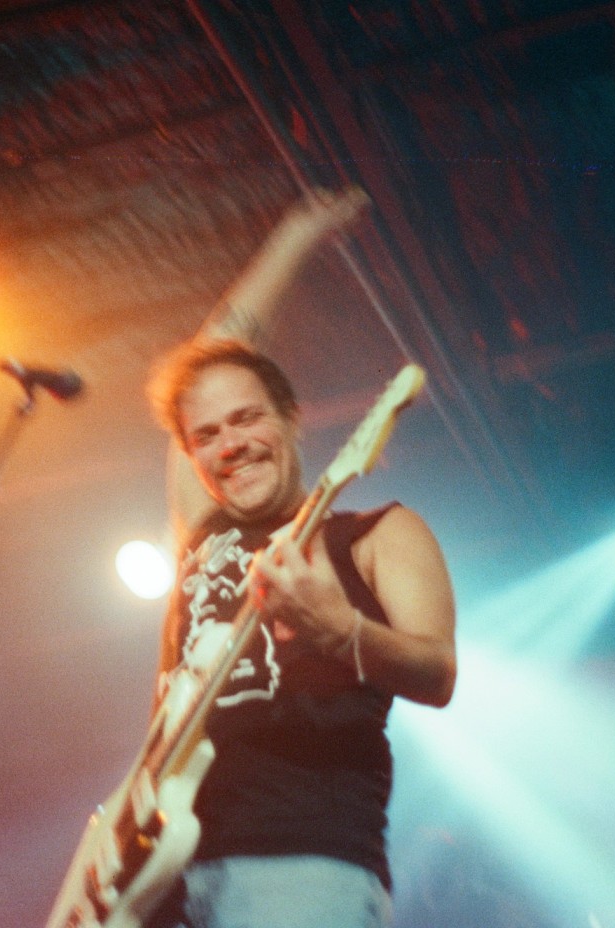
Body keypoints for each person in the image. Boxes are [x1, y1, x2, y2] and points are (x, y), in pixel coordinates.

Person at [145, 188, 457, 928]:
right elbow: (216, 344)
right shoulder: (202, 523)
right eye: (208, 434)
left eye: (248, 417)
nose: (230, 444)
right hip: (155, 859)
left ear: (291, 417)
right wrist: (292, 230)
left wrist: (341, 631)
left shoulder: (379, 532)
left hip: (301, 856)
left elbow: (438, 672)